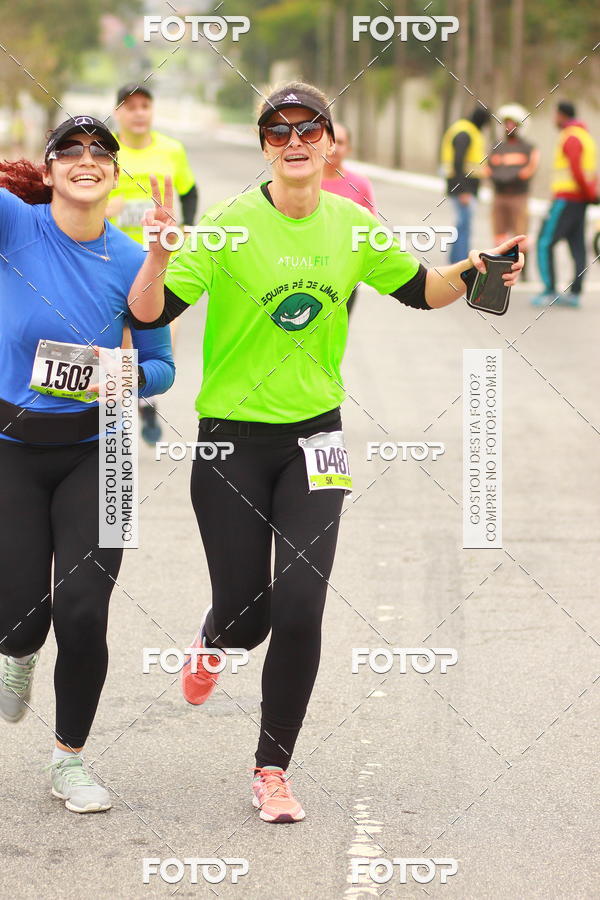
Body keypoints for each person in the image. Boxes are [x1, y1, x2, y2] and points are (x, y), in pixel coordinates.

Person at [126, 82, 523, 824]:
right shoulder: (226, 224)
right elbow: (152, 311)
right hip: (230, 444)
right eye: (279, 132)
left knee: (303, 605)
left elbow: (421, 291)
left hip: (318, 439)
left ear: (331, 140)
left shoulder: (354, 224)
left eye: (310, 128)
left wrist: (475, 269)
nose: (296, 140)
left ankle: (271, 769)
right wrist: (155, 256)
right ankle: (215, 636)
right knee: (249, 618)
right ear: (265, 146)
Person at [0, 116, 175, 813]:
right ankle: (16, 653)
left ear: (114, 174)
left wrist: (119, 374)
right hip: (11, 450)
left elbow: (160, 367)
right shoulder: (16, 227)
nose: (86, 159)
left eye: (100, 152)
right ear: (47, 173)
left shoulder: (134, 258)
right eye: (68, 151)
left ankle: (69, 760)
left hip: (99, 452)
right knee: (20, 618)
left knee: (82, 611)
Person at [106, 84, 197, 442]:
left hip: (159, 258)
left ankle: (144, 394)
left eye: (145, 105)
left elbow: (189, 192)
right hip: (114, 257)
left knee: (160, 334)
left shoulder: (172, 150)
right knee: (124, 338)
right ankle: (127, 406)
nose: (139, 112)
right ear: (118, 113)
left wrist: (187, 229)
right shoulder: (105, 150)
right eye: (131, 107)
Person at [532, 101, 598, 308]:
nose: (553, 119)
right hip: (580, 201)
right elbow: (591, 173)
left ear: (561, 115)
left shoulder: (570, 137)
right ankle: (575, 293)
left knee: (544, 242)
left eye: (555, 114)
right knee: (577, 244)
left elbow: (576, 170)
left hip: (567, 199)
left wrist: (586, 193)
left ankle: (549, 290)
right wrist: (591, 195)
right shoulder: (586, 137)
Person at [321, 121, 377, 316]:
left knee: (338, 330)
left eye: (341, 142)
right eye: (329, 141)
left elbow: (370, 228)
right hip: (306, 269)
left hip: (346, 273)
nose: (334, 147)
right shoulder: (303, 181)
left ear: (349, 149)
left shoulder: (360, 184)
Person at [484, 104, 539, 278]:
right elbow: (488, 168)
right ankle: (500, 269)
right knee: (499, 235)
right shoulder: (496, 146)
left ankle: (523, 272)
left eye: (512, 123)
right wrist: (498, 178)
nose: (509, 127)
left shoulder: (529, 148)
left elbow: (529, 170)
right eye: (506, 123)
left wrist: (507, 177)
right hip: (499, 196)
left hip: (518, 197)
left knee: (521, 235)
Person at [441, 106, 491, 263]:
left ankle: (458, 260)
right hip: (463, 189)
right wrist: (462, 191)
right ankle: (460, 262)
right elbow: (458, 162)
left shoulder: (467, 130)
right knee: (463, 226)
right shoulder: (465, 132)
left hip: (467, 188)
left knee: (463, 225)